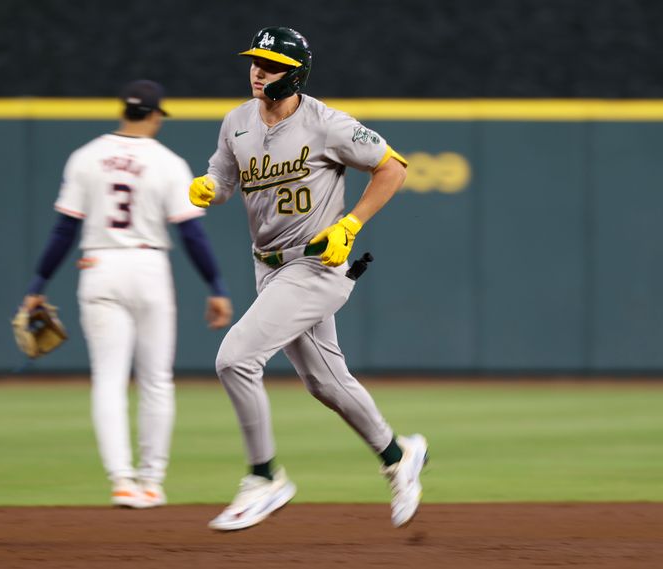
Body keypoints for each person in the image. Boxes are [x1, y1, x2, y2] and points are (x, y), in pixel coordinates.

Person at [189, 27, 428, 531]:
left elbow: (393, 168)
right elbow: (225, 178)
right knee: (325, 381)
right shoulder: (236, 122)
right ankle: (397, 455)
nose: (258, 71)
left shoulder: (328, 124)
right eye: (255, 61)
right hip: (267, 265)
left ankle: (264, 477)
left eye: (270, 64)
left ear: (295, 73)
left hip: (317, 262)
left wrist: (350, 224)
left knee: (235, 360)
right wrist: (211, 187)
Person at [21, 79, 233, 508]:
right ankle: (152, 481)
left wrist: (37, 286)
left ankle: (121, 481)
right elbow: (192, 233)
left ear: (123, 111)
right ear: (155, 115)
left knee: (109, 381)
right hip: (149, 267)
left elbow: (65, 230)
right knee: (157, 380)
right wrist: (216, 286)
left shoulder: (86, 157)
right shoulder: (167, 162)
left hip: (99, 267)